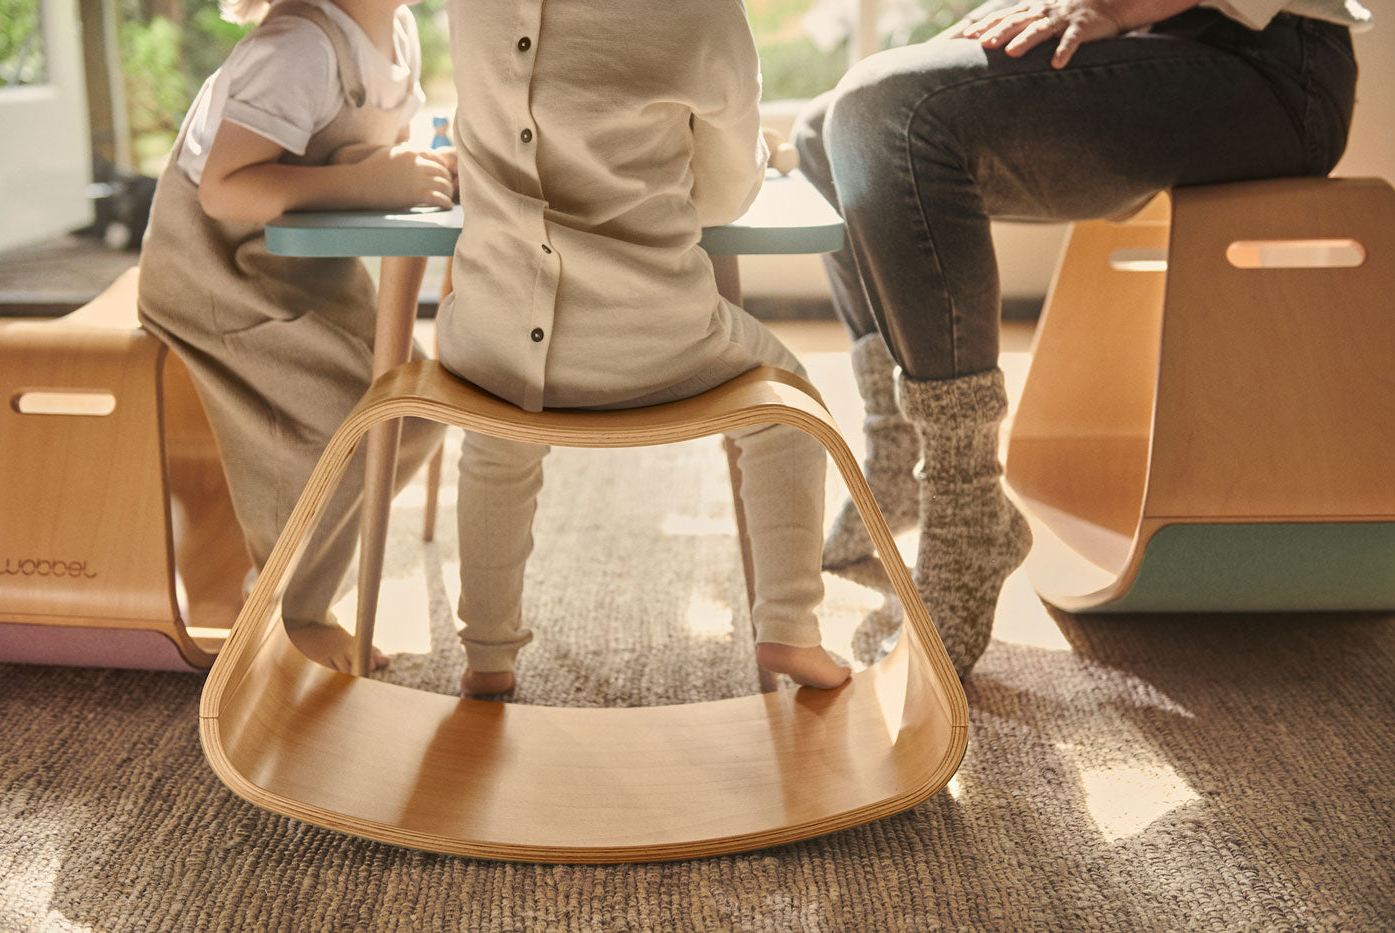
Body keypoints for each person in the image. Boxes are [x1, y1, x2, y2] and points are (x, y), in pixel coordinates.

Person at [792, 0, 1367, 677]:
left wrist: (1112, 7)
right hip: (1154, 42)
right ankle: (899, 454)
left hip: (1269, 67)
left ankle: (964, 506)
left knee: (885, 112)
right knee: (824, 130)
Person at [436, 0, 850, 697]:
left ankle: (488, 658)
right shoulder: (702, 13)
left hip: (496, 340)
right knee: (788, 402)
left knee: (496, 438)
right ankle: (789, 625)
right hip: (657, 343)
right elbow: (722, 196)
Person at [137, 0, 452, 672]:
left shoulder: (395, 34)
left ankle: (298, 586)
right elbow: (224, 189)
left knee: (416, 415)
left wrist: (396, 166)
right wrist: (365, 181)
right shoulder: (297, 48)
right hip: (221, 283)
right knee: (342, 426)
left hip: (308, 276)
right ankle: (284, 610)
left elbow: (346, 143)